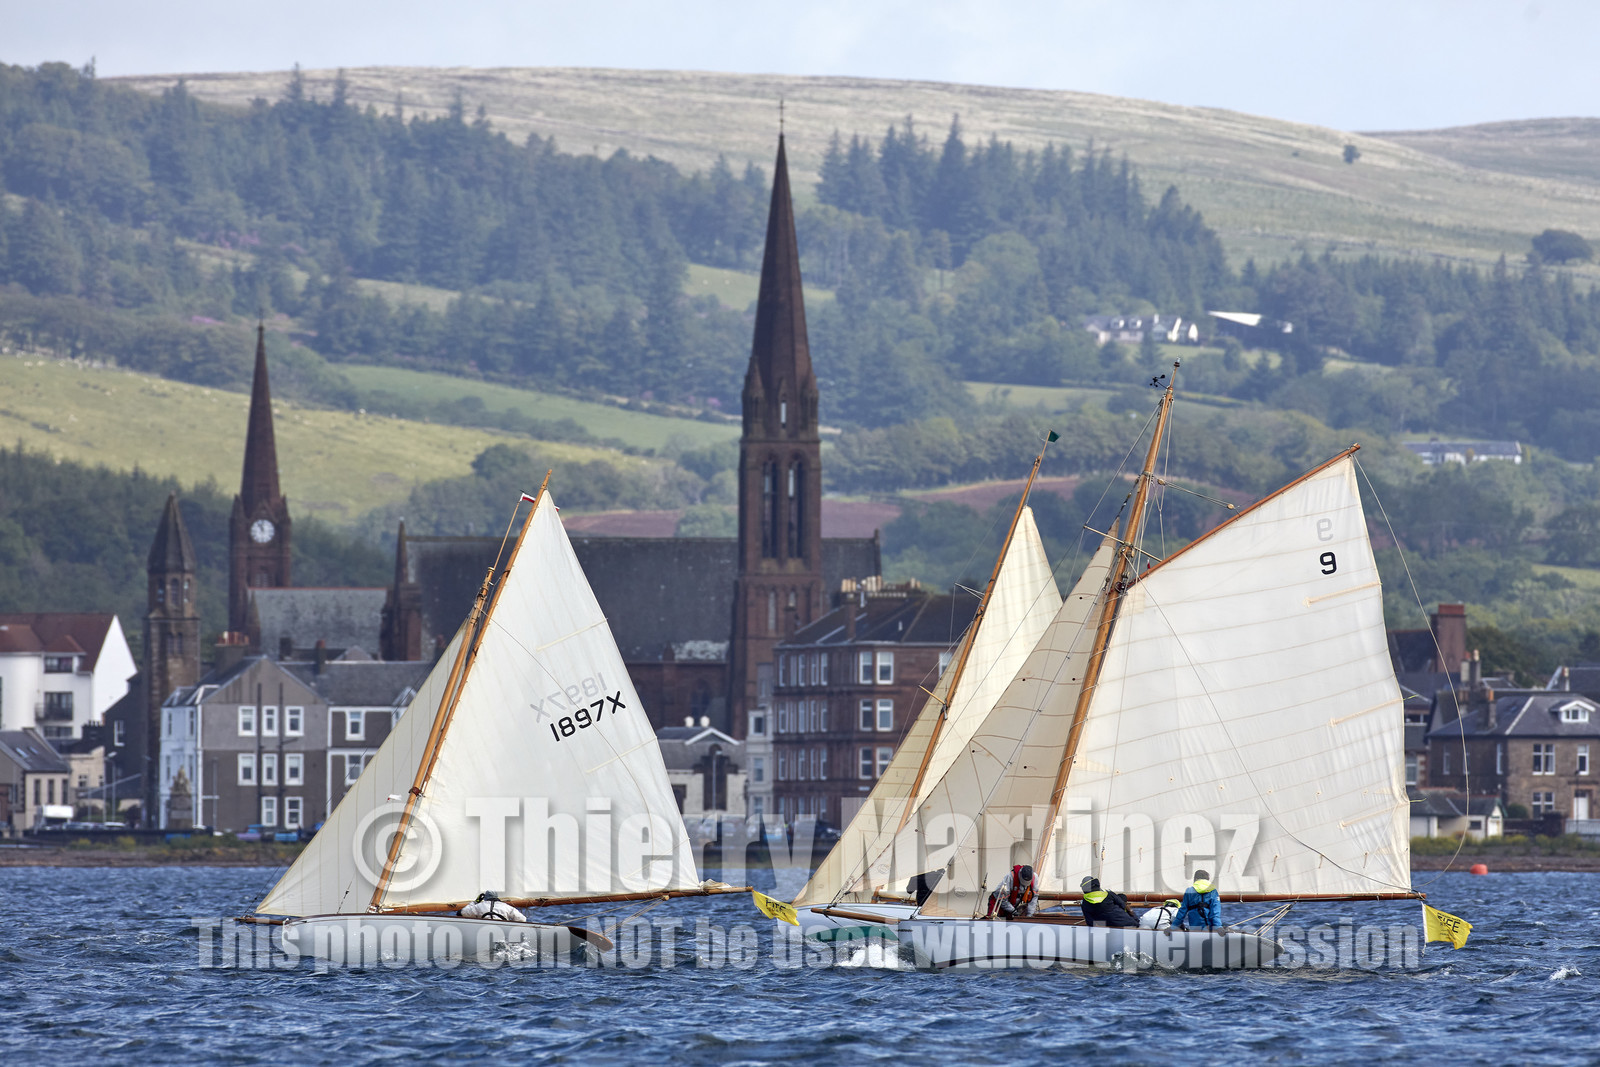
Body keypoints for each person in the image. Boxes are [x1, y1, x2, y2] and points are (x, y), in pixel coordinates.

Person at [459, 890, 528, 922]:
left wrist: (475, 902)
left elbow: (462, 913)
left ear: (485, 897)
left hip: (484, 931)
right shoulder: (506, 907)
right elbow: (522, 919)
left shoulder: (479, 906)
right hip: (502, 932)